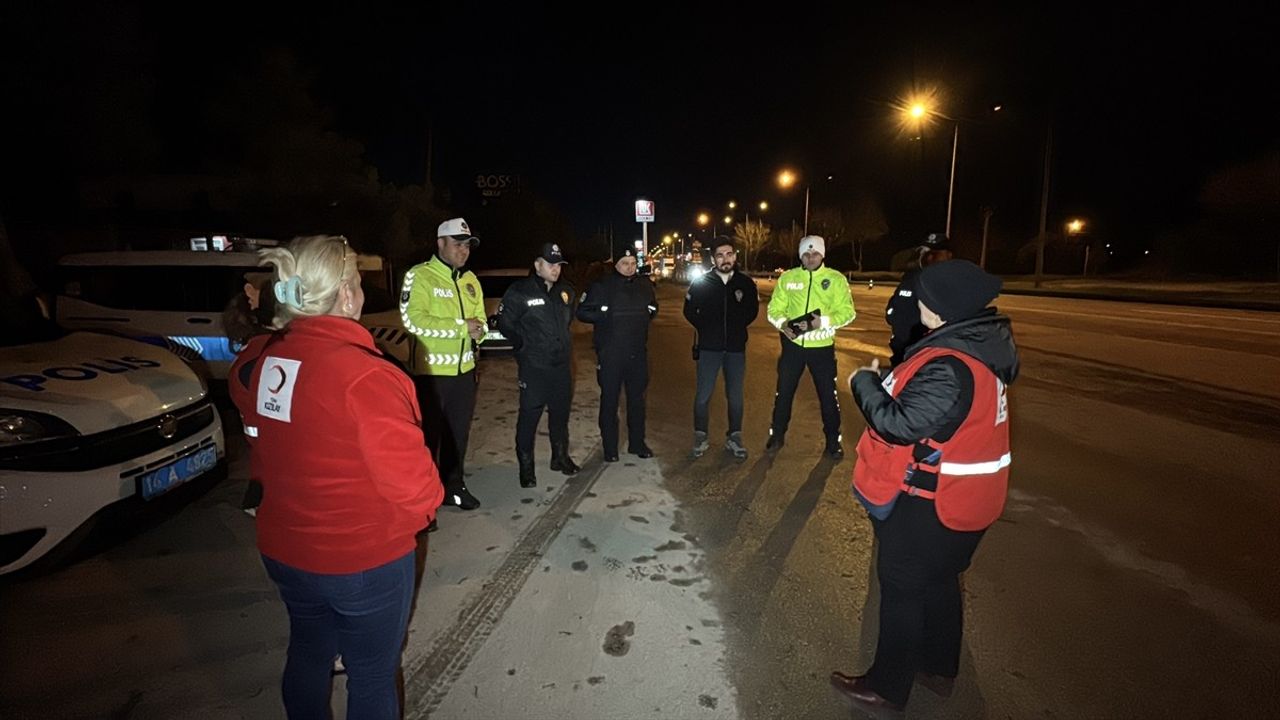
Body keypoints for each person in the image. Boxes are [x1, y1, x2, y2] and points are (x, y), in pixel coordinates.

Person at [229, 235, 444, 720]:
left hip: (285, 548)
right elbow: (415, 489)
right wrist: (425, 511)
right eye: (360, 282)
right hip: (361, 560)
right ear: (347, 295)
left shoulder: (265, 361)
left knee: (308, 650)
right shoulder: (367, 376)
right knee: (371, 675)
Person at [832, 259, 1017, 714]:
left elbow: (900, 424)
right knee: (939, 582)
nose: (917, 304)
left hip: (931, 505)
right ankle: (938, 667)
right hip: (964, 503)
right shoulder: (978, 349)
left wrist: (864, 384)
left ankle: (886, 687)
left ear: (939, 306)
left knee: (902, 590)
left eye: (924, 297)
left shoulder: (951, 364)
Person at [399, 218, 487, 510]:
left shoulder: (470, 280)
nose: (463, 250)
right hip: (431, 376)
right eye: (457, 244)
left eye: (467, 245)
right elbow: (413, 321)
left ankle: (454, 487)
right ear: (440, 243)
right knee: (427, 440)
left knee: (458, 435)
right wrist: (463, 327)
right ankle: (423, 497)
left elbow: (481, 322)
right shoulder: (420, 276)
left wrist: (480, 332)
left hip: (464, 373)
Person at [496, 242, 580, 488]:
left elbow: (567, 321)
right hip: (534, 367)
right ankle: (526, 467)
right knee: (529, 417)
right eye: (550, 264)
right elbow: (505, 324)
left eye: (559, 265)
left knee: (560, 415)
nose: (556, 269)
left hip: (561, 366)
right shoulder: (520, 291)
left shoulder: (566, 292)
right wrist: (523, 345)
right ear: (537, 265)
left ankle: (560, 457)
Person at [764, 235, 856, 458]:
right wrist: (782, 323)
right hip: (793, 348)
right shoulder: (788, 278)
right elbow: (773, 309)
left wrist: (822, 322)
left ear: (822, 254)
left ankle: (833, 441)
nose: (810, 257)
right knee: (783, 393)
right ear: (800, 256)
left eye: (815, 253)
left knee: (827, 396)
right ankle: (777, 435)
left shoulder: (835, 279)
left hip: (822, 349)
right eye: (806, 253)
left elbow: (847, 312)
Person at [576, 246, 657, 462]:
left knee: (637, 401)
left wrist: (647, 314)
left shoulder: (644, 285)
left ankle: (637, 443)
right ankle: (610, 448)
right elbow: (582, 311)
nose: (629, 268)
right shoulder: (602, 285)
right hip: (611, 354)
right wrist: (604, 313)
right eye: (624, 264)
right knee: (610, 401)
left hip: (637, 353)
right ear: (616, 265)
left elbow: (653, 307)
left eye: (632, 264)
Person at [682, 236, 759, 459]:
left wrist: (737, 327)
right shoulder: (701, 283)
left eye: (729, 254)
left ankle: (734, 437)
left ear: (735, 256)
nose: (725, 259)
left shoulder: (745, 284)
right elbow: (689, 310)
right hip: (709, 349)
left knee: (735, 396)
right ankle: (700, 436)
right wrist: (705, 329)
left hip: (735, 349)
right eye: (719, 255)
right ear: (713, 259)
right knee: (703, 396)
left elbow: (752, 311)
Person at [886, 232, 954, 366]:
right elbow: (893, 310)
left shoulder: (954, 283)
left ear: (949, 255)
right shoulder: (911, 279)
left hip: (935, 355)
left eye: (935, 254)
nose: (929, 258)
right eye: (926, 253)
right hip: (904, 351)